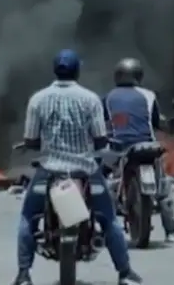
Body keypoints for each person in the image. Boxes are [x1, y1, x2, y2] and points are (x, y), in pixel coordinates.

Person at [13, 49, 142, 285]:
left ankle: (23, 275)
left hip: (50, 170)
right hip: (86, 170)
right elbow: (100, 140)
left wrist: (38, 143)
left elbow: (31, 140)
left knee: (28, 218)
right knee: (109, 220)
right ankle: (125, 273)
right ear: (77, 71)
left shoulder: (38, 99)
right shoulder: (90, 99)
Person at [102, 57, 174, 242]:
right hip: (148, 146)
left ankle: (104, 229)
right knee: (165, 188)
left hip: (118, 148)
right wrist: (172, 125)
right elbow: (157, 122)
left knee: (102, 179)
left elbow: (102, 123)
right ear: (139, 76)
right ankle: (172, 231)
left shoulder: (109, 97)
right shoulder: (149, 95)